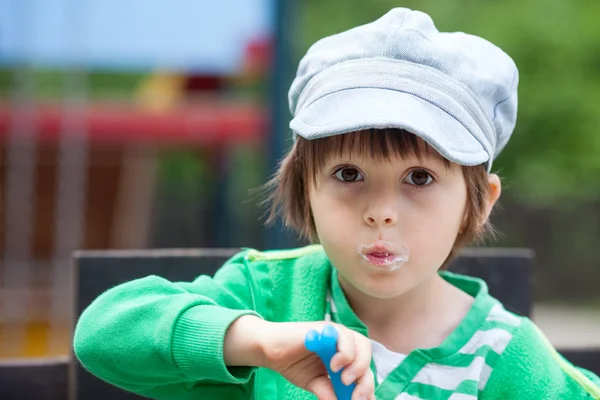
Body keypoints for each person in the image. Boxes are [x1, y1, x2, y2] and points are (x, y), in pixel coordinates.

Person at [73, 8, 600, 400]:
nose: (380, 211)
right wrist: (258, 343)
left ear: (479, 202)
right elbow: (103, 333)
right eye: (349, 174)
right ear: (306, 186)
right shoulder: (268, 298)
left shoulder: (505, 356)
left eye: (419, 177)